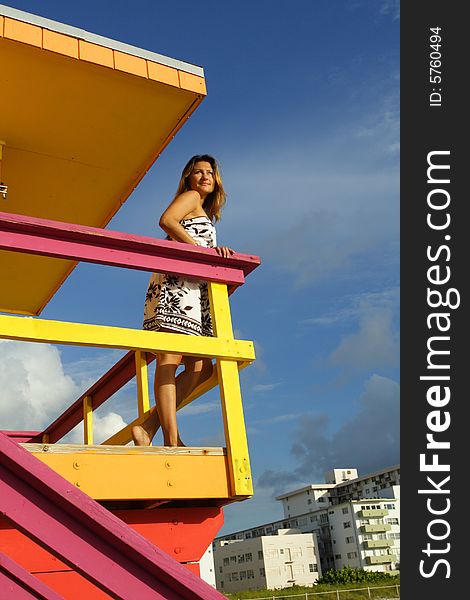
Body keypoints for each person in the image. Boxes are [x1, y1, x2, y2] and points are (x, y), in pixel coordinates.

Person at [132, 155, 233, 447]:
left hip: (192, 291)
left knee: (202, 367)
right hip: (175, 286)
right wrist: (199, 251)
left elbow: (196, 238)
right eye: (198, 172)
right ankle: (172, 441)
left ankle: (148, 428)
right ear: (188, 178)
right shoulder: (189, 197)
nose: (204, 177)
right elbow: (166, 221)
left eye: (210, 173)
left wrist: (214, 252)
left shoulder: (202, 210)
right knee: (171, 358)